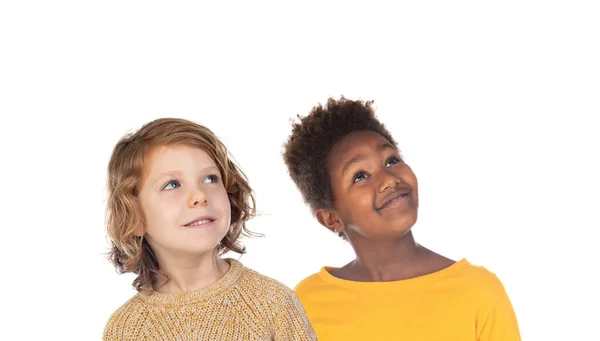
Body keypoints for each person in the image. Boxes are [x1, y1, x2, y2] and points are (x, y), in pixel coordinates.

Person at [282, 97, 520, 340]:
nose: (388, 179)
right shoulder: (306, 303)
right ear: (331, 218)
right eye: (360, 176)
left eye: (391, 161)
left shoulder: (478, 291)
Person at [103, 118, 316, 340]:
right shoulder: (125, 329)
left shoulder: (273, 303)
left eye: (210, 178)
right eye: (172, 184)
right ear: (134, 217)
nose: (200, 196)